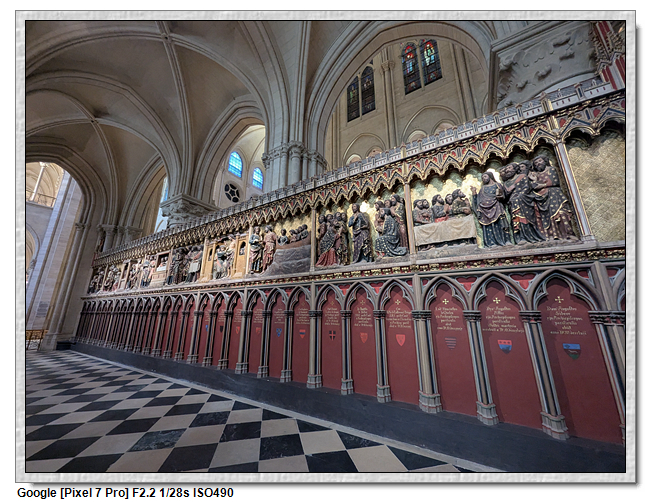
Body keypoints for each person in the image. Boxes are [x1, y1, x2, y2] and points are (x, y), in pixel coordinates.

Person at [528, 155, 577, 240]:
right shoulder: (536, 175)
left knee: (561, 213)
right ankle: (552, 236)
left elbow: (554, 182)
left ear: (545, 161)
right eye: (535, 163)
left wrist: (541, 185)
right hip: (542, 198)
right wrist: (534, 180)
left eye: (540, 161)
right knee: (547, 217)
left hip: (554, 194)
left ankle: (567, 234)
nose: (538, 164)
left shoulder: (551, 169)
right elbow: (534, 186)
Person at [501, 163, 545, 244]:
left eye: (509, 168)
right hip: (513, 203)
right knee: (516, 220)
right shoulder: (506, 183)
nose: (507, 170)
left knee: (525, 219)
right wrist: (509, 192)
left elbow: (527, 187)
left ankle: (530, 236)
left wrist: (519, 196)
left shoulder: (522, 177)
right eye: (506, 169)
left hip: (524, 201)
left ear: (515, 169)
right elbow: (505, 195)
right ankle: (520, 237)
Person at [471, 172, 511, 247]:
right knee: (488, 226)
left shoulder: (497, 185)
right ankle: (491, 243)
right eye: (482, 178)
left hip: (496, 206)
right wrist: (474, 192)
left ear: (490, 176)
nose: (483, 179)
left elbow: (503, 196)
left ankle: (506, 240)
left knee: (501, 222)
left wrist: (500, 197)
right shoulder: (483, 188)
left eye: (485, 176)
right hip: (484, 209)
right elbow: (477, 201)